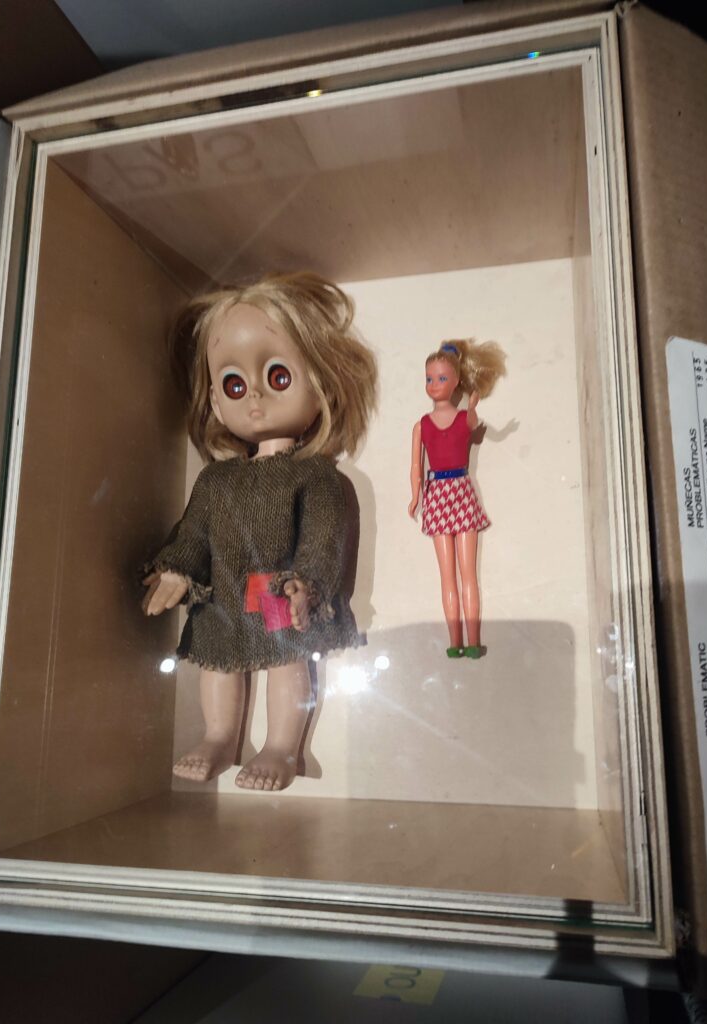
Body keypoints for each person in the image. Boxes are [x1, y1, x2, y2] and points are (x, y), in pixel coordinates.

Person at [142, 272, 377, 791]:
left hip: (275, 588)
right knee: (217, 663)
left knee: (285, 659)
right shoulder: (216, 478)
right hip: (225, 592)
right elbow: (194, 531)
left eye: (278, 376)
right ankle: (219, 737)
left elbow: (323, 536)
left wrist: (307, 584)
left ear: (320, 383)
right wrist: (177, 570)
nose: (253, 397)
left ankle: (281, 748)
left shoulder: (314, 474)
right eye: (233, 384)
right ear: (214, 399)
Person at [408, 339, 506, 658]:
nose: (434, 384)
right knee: (447, 575)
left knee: (467, 573)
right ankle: (455, 641)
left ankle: (473, 640)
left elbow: (478, 425)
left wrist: (473, 405)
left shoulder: (465, 418)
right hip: (436, 495)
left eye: (441, 378)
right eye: (429, 378)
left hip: (460, 492)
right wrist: (415, 496)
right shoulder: (421, 425)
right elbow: (416, 466)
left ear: (456, 382)